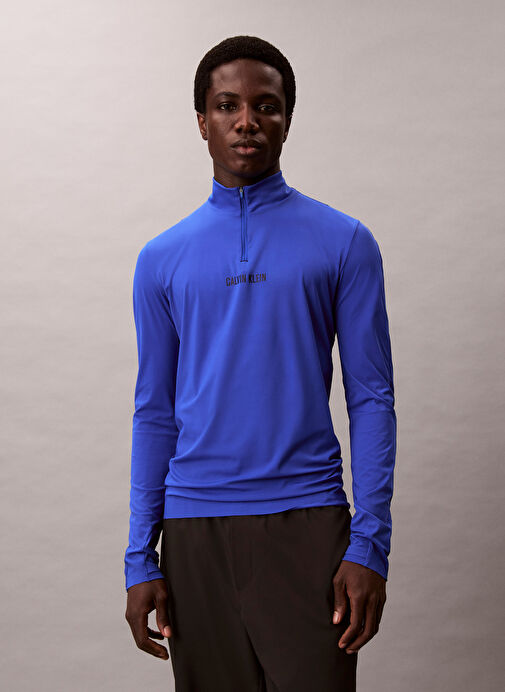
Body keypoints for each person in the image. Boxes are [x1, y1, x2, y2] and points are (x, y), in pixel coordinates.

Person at [124, 34, 397, 692]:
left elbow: (371, 398)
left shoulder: (345, 242)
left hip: (308, 525)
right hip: (193, 531)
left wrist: (369, 544)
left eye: (265, 106)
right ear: (202, 122)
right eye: (227, 105)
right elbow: (154, 411)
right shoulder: (160, 259)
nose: (246, 121)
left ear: (286, 119)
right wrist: (139, 557)